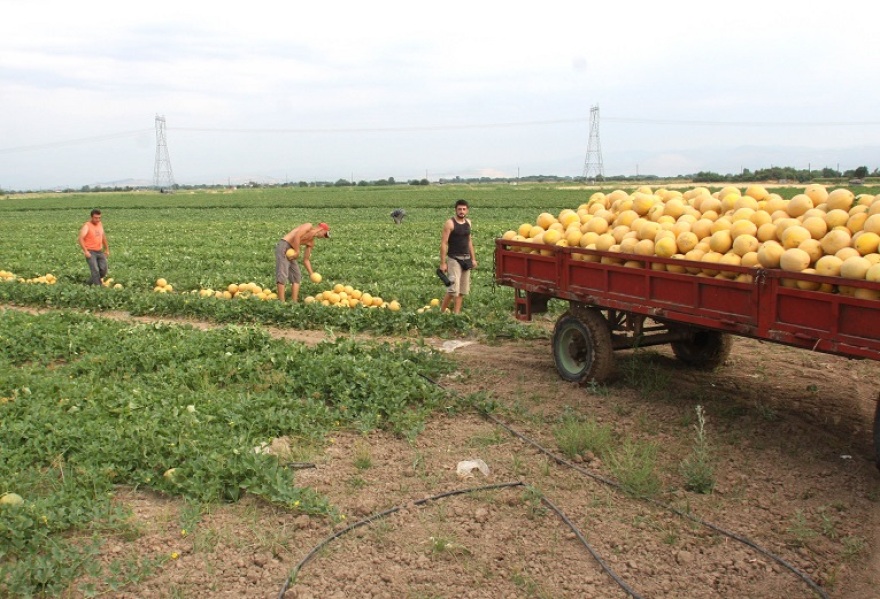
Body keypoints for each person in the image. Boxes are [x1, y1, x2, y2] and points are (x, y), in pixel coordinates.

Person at [275, 222, 331, 302]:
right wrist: (297, 251)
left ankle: (294, 302)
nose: (324, 237)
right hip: (284, 245)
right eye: (325, 234)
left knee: (297, 276)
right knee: (283, 273)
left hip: (292, 250)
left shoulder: (311, 242)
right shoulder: (308, 226)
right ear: (322, 229)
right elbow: (297, 236)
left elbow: (306, 260)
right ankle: (281, 302)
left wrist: (311, 273)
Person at [439, 199, 476, 314]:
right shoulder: (450, 223)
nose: (462, 211)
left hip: (466, 259)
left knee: (462, 290)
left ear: (467, 210)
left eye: (464, 209)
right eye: (459, 209)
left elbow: (469, 241)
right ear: (455, 210)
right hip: (454, 259)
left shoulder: (468, 223)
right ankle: (441, 312)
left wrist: (473, 258)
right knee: (452, 289)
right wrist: (443, 262)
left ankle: (456, 314)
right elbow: (444, 243)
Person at [78, 209, 109, 285]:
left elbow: (103, 236)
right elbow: (80, 238)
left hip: (99, 251)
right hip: (91, 252)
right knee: (95, 270)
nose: (97, 219)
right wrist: (85, 251)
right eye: (96, 218)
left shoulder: (100, 224)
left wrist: (107, 249)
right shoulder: (87, 226)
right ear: (91, 217)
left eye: (99, 218)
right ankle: (99, 288)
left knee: (104, 270)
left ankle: (88, 283)